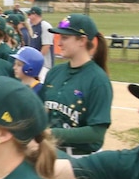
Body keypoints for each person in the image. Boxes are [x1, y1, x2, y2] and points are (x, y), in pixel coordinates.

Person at [44, 14, 112, 156]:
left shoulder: (98, 80)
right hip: (49, 152)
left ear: (82, 40)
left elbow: (97, 132)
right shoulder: (55, 72)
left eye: (65, 38)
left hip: (80, 158)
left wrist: (52, 133)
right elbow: (42, 110)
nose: (59, 43)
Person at [27, 6, 54, 70]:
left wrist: (37, 60)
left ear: (35, 15)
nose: (28, 17)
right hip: (33, 62)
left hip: (44, 64)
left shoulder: (45, 26)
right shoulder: (32, 26)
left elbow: (46, 46)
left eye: (29, 15)